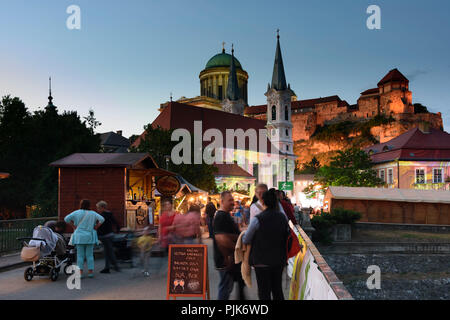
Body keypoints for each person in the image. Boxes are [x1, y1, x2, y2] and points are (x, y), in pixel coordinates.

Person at [243, 188, 289, 300]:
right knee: (277, 290)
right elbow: (287, 235)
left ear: (263, 202)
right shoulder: (283, 218)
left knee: (264, 292)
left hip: (261, 261)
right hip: (278, 260)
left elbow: (246, 239)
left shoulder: (257, 220)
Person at [213, 191, 246, 300]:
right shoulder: (221, 216)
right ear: (222, 201)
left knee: (227, 287)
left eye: (233, 200)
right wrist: (234, 251)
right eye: (230, 200)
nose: (233, 202)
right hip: (226, 260)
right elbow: (221, 239)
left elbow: (227, 235)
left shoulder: (225, 215)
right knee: (225, 288)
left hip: (228, 259)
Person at [64, 199, 105, 278]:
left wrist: (73, 226)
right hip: (89, 236)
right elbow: (102, 219)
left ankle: (80, 273)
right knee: (89, 255)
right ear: (89, 205)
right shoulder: (93, 213)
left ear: (81, 205)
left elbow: (66, 219)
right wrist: (96, 226)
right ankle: (90, 272)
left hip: (79, 236)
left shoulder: (76, 212)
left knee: (80, 256)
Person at [96, 201, 120, 273]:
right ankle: (110, 266)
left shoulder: (102, 215)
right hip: (110, 234)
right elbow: (116, 223)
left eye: (98, 208)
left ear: (102, 207)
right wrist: (117, 231)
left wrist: (96, 233)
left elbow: (100, 227)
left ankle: (113, 266)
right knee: (108, 251)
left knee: (108, 251)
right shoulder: (110, 214)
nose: (97, 209)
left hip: (104, 236)